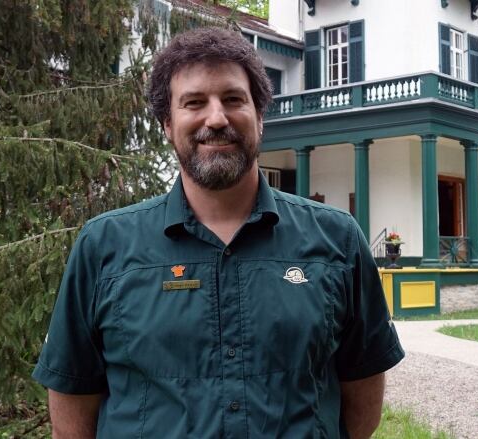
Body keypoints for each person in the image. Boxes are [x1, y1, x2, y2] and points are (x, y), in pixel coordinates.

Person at [32, 26, 404, 438]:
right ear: (167, 124)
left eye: (233, 99)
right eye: (194, 103)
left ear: (260, 117)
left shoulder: (337, 239)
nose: (216, 118)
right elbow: (72, 396)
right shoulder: (103, 246)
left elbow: (363, 384)